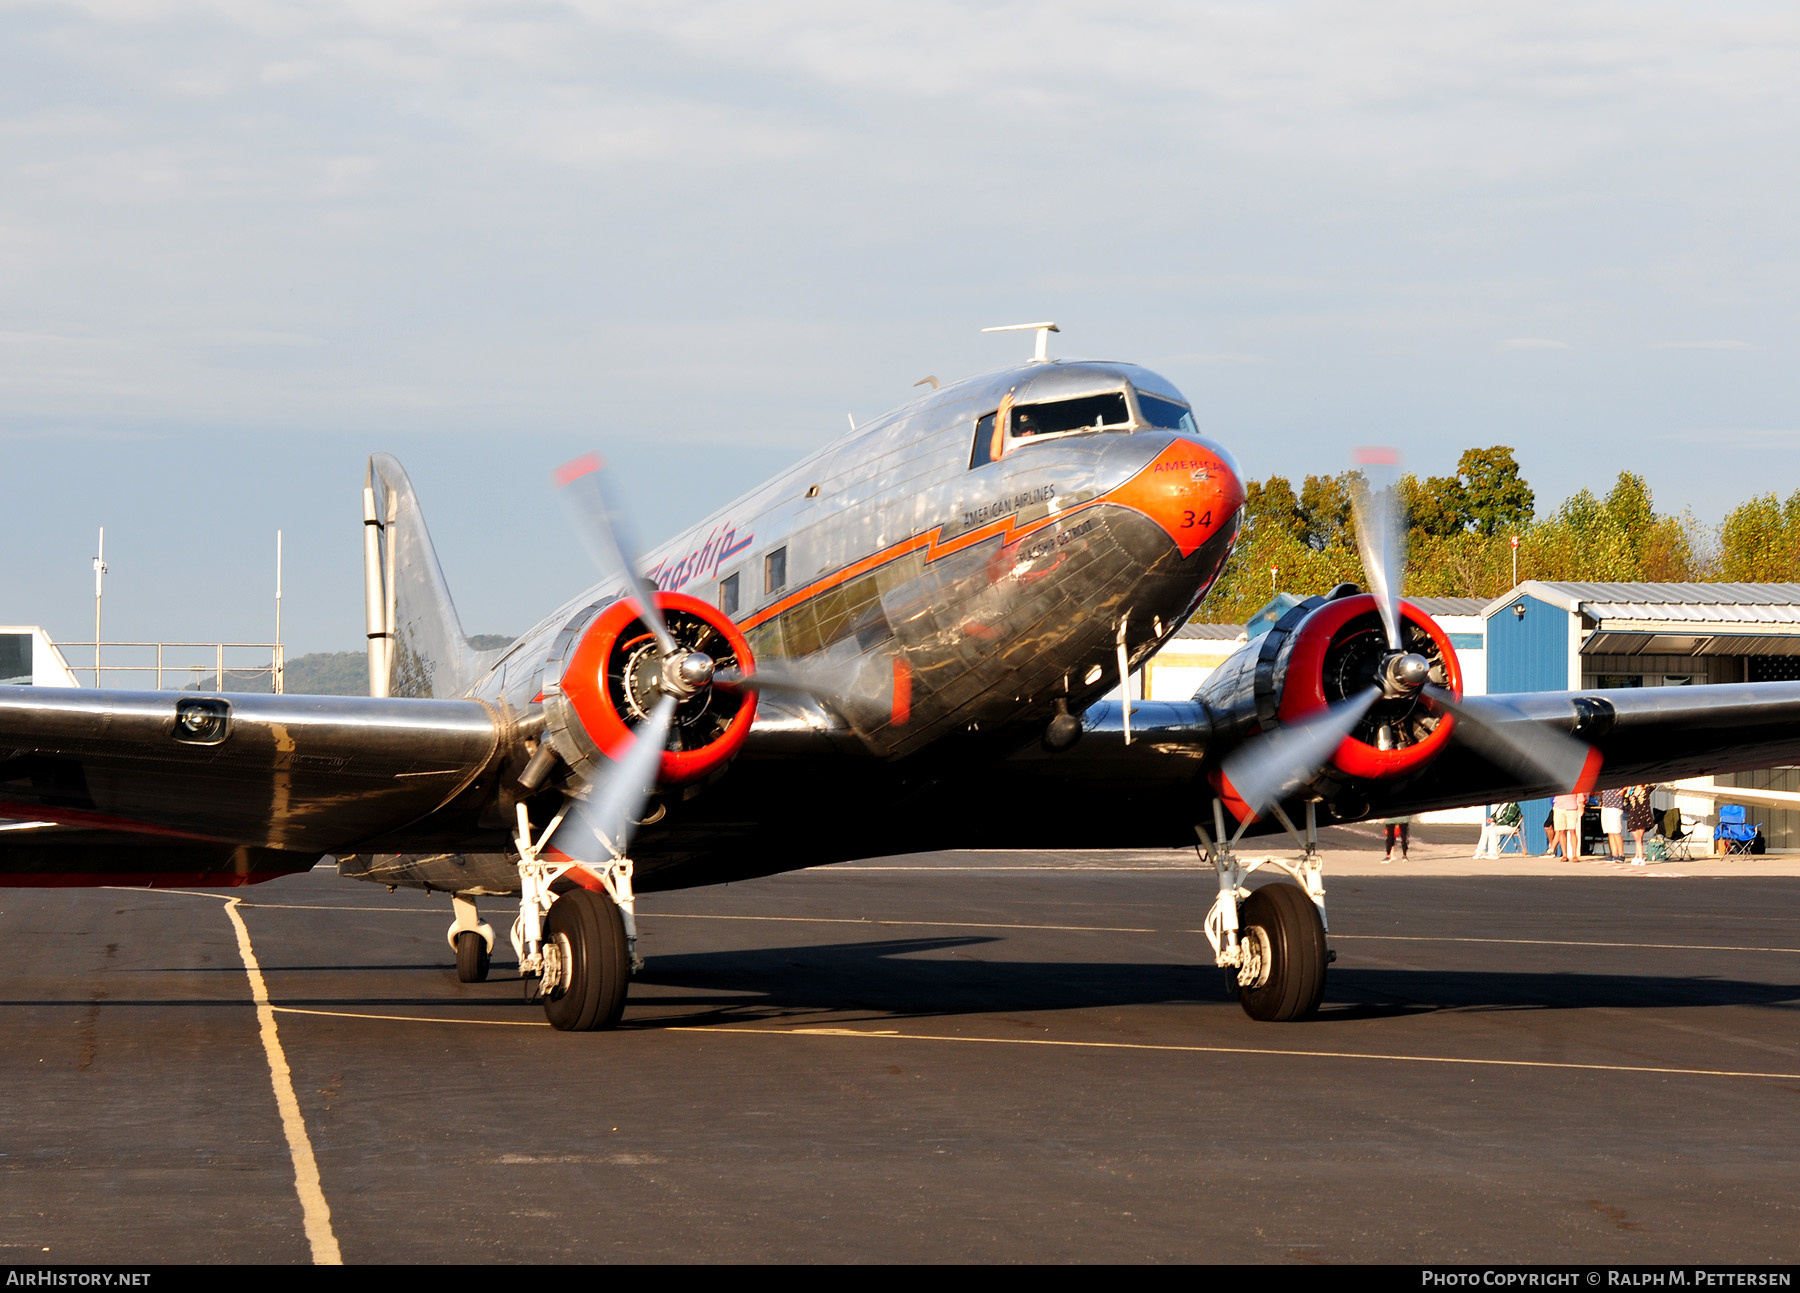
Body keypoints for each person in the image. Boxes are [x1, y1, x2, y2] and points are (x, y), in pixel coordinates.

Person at [1623, 784, 1656, 865]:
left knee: (1639, 838)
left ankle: (1640, 857)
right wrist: (1628, 792)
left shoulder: (1646, 790)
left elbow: (1654, 785)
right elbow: (1625, 803)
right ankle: (1637, 856)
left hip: (1643, 816)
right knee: (1636, 838)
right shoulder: (1632, 792)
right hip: (1633, 816)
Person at [1552, 790, 1586, 861]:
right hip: (1558, 807)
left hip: (1571, 807)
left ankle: (1574, 855)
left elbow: (1580, 792)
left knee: (1572, 830)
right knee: (1561, 831)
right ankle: (1564, 855)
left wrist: (1581, 805)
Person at [1598, 786, 1625, 859]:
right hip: (1606, 807)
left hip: (1615, 807)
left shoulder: (1619, 778)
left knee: (1616, 831)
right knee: (1610, 832)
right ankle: (1614, 854)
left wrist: (1623, 790)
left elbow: (1629, 783)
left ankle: (1621, 854)